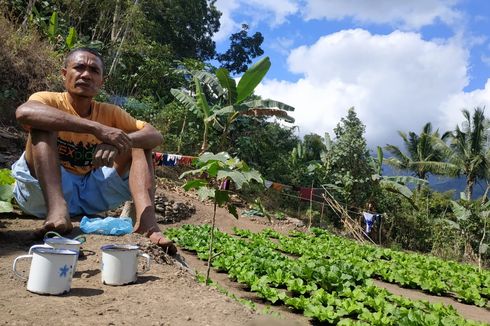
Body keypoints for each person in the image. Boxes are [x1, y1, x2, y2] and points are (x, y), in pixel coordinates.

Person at [11, 47, 177, 255]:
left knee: (140, 146)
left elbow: (155, 135)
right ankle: (57, 214)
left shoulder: (109, 112)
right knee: (42, 126)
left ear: (101, 82)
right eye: (79, 67)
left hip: (89, 192)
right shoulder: (48, 100)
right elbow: (24, 113)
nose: (86, 75)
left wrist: (118, 142)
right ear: (64, 74)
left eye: (94, 71)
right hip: (42, 195)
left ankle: (147, 224)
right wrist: (97, 128)